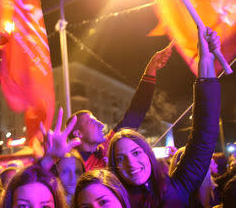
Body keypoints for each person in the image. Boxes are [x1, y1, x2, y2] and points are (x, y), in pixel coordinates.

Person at [107, 27, 221, 208]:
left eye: (137, 152)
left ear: (148, 154)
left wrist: (206, 62)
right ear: (113, 168)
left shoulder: (176, 188)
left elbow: (204, 132)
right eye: (120, 158)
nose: (131, 163)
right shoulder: (114, 206)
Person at [40, 43, 173, 172]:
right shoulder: (69, 166)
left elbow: (137, 111)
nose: (101, 124)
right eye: (92, 122)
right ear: (78, 133)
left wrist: (151, 69)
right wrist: (48, 160)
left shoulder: (108, 147)